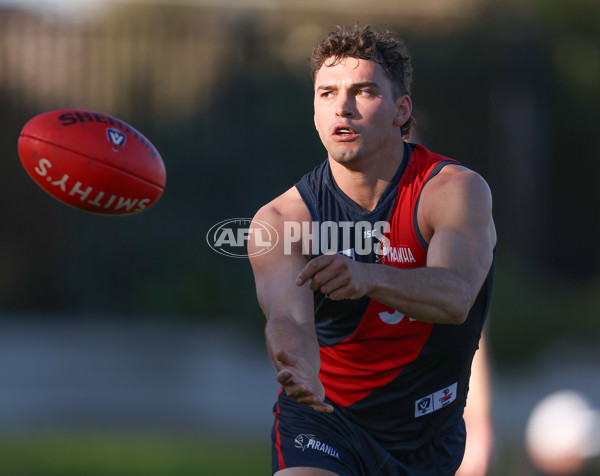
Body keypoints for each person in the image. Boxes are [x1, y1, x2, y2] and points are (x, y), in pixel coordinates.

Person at [249, 24, 496, 476]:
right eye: (327, 93)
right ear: (315, 111)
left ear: (402, 110)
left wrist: (367, 275)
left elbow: (456, 295)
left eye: (362, 91)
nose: (342, 106)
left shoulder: (452, 191)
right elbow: (288, 318)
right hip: (326, 418)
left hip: (426, 438)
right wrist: (296, 363)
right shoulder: (283, 220)